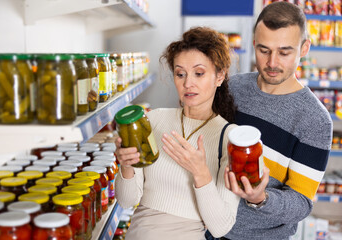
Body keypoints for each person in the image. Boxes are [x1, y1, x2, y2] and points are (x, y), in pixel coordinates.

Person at [206, 2, 332, 240]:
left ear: (304, 48)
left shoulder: (315, 119)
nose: (272, 63)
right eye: (264, 50)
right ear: (254, 44)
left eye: (284, 52)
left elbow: (301, 203)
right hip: (208, 227)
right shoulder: (232, 88)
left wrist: (260, 198)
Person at [115, 27, 241, 240]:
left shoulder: (229, 137)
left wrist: (200, 172)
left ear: (220, 76)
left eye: (199, 73)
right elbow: (127, 201)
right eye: (180, 73)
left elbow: (221, 227)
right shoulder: (154, 119)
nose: (187, 83)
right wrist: (126, 165)